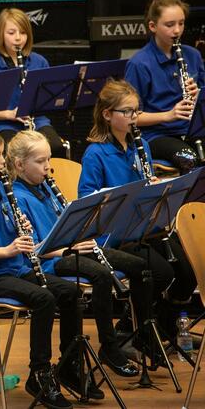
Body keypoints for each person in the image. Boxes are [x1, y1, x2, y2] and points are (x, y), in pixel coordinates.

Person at [0, 126, 83, 409]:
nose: (3, 162)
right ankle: (40, 373)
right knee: (44, 298)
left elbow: (8, 228)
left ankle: (70, 364)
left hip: (14, 269)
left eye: (2, 155)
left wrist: (20, 226)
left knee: (70, 292)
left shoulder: (1, 188)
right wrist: (7, 249)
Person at [6, 130, 140, 379]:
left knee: (138, 265)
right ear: (19, 165)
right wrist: (68, 248)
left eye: (48, 159)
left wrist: (81, 232)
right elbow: (33, 249)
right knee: (101, 275)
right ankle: (109, 347)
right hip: (50, 262)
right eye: (40, 161)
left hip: (69, 251)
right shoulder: (17, 198)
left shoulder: (45, 188)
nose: (47, 167)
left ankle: (140, 336)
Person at [78, 79, 195, 346]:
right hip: (115, 235)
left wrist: (156, 187)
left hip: (144, 227)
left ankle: (163, 328)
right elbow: (87, 199)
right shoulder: (96, 153)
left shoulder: (140, 146)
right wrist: (125, 192)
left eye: (136, 111)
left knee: (187, 274)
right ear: (107, 115)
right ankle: (135, 328)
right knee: (161, 273)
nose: (134, 117)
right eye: (127, 111)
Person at [125, 0, 205, 173]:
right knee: (189, 158)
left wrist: (198, 94)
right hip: (155, 135)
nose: (177, 30)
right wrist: (168, 115)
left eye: (181, 23)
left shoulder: (192, 55)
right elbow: (130, 117)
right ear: (153, 26)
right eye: (169, 25)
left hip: (191, 130)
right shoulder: (139, 64)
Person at [0, 8, 66, 159]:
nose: (18, 38)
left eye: (23, 33)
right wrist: (10, 114)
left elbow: (49, 97)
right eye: (11, 33)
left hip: (37, 120)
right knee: (14, 152)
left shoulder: (39, 62)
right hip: (3, 124)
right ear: (0, 35)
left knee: (55, 146)